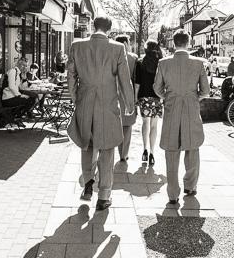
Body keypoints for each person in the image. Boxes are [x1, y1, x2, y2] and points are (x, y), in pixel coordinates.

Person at [67, 16, 134, 211]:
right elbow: (124, 80)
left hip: (85, 102)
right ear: (110, 29)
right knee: (107, 148)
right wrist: (130, 103)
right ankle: (104, 196)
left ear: (92, 26)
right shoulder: (117, 48)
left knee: (86, 144)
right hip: (108, 106)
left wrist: (74, 98)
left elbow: (71, 76)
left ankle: (88, 182)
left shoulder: (77, 46)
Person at [153, 29, 210, 205]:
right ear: (188, 42)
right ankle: (190, 186)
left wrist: (167, 97)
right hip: (191, 109)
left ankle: (172, 194)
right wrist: (195, 97)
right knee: (192, 148)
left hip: (171, 109)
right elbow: (206, 91)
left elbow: (157, 88)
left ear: (174, 43)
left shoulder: (163, 63)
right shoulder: (198, 64)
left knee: (172, 153)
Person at [135, 39, 163, 166]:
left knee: (145, 123)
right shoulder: (160, 63)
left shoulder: (140, 63)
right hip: (157, 97)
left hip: (144, 97)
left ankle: (144, 150)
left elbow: (137, 83)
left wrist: (135, 98)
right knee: (154, 126)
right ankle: (152, 153)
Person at [115, 34, 138, 162]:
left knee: (116, 124)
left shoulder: (112, 55)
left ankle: (115, 150)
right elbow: (136, 80)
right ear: (125, 43)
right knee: (127, 127)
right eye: (129, 43)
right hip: (128, 95)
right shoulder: (133, 58)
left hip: (114, 95)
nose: (130, 45)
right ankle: (124, 154)